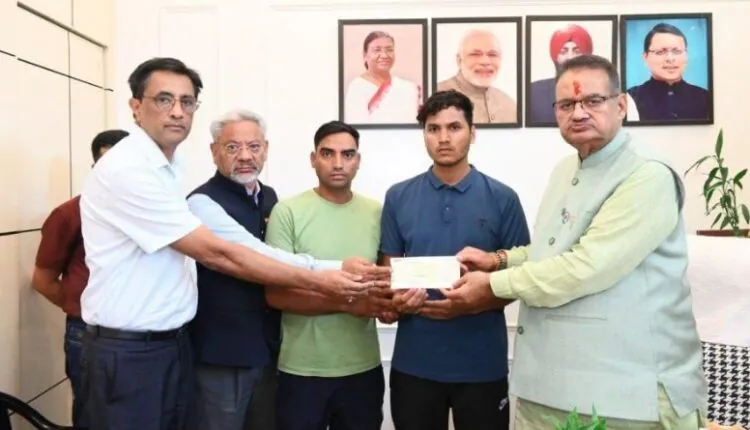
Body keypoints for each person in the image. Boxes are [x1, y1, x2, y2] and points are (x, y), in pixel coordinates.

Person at [79, 57, 389, 430]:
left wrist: (336, 269)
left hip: (196, 346)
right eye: (163, 99)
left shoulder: (183, 175)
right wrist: (327, 277)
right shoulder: (136, 174)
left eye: (186, 101)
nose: (177, 111)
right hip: (147, 351)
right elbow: (223, 254)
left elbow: (262, 254)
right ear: (135, 107)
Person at [446, 54, 708, 428]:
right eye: (567, 104)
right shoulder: (565, 170)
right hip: (550, 385)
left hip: (626, 395)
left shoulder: (646, 174)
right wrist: (499, 260)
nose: (579, 113)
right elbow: (553, 251)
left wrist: (492, 285)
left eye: (593, 101)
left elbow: (587, 266)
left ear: (621, 106)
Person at [379, 90, 531, 430]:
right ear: (424, 135)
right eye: (433, 129)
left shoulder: (503, 198)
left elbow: (523, 277)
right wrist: (396, 300)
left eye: (454, 127)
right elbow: (389, 273)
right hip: (415, 363)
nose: (443, 138)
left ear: (472, 133)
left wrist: (473, 303)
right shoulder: (398, 197)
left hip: (482, 365)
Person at [264, 120, 392, 430]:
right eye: (327, 153)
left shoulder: (376, 212)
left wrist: (393, 304)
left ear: (358, 161)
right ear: (313, 159)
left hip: (362, 369)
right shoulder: (288, 212)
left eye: (347, 154)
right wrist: (349, 303)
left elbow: (386, 283)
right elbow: (276, 294)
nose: (338, 163)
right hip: (302, 371)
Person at [185, 109, 280, 430]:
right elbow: (252, 260)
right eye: (232, 147)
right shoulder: (202, 202)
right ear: (214, 152)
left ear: (265, 149)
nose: (245, 156)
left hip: (267, 347)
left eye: (253, 147)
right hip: (221, 352)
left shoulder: (269, 197)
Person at [31, 129, 129, 427]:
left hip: (140, 336)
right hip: (86, 333)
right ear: (94, 168)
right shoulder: (70, 214)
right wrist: (82, 307)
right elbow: (43, 280)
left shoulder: (148, 212)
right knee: (92, 417)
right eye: (106, 165)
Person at [528, 24, 639, 124]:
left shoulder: (609, 90)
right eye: (563, 51)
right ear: (555, 56)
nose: (570, 57)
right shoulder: (534, 92)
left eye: (577, 51)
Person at [626, 23, 710, 122]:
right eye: (660, 52)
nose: (670, 59)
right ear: (645, 57)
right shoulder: (630, 98)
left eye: (677, 51)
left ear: (686, 55)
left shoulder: (706, 97)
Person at [437, 29, 517, 124]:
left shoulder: (510, 105)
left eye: (492, 55)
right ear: (459, 60)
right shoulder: (435, 95)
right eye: (475, 54)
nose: (485, 62)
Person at [344, 30, 422, 124]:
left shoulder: (407, 87)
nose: (384, 55)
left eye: (389, 50)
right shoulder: (357, 87)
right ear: (365, 56)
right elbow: (357, 126)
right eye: (377, 50)